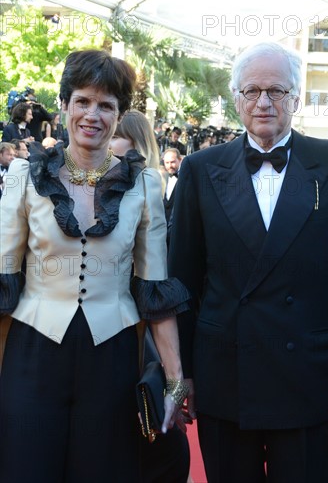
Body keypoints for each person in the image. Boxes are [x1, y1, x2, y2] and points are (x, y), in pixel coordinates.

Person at [168, 41, 328, 483]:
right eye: (251, 90)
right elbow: (182, 279)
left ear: (297, 98)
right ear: (235, 98)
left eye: (276, 91)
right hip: (224, 375)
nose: (263, 102)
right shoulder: (200, 169)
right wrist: (182, 375)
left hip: (308, 378)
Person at [0, 49, 190, 483]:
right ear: (64, 105)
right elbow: (3, 278)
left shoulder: (144, 184)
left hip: (113, 357)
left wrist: (175, 383)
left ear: (119, 114)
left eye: (106, 105)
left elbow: (155, 290)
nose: (93, 115)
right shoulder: (25, 176)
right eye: (83, 101)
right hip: (33, 353)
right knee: (26, 468)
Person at [110, 109, 192, 483]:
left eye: (115, 134)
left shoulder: (146, 183)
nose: (106, 139)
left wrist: (176, 377)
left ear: (134, 140)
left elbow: (153, 271)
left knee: (150, 423)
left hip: (140, 318)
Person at [162, 148, 182, 225]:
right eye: (167, 163)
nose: (170, 165)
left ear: (180, 160)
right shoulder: (160, 178)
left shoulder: (186, 178)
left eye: (173, 162)